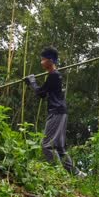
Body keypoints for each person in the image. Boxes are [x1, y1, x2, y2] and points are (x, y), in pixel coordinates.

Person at [25, 47, 83, 176]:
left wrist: (32, 82)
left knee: (47, 145)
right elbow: (44, 94)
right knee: (60, 148)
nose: (41, 62)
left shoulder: (54, 75)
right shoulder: (53, 76)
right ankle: (78, 174)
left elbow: (40, 93)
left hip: (56, 112)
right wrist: (32, 83)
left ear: (50, 61)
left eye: (43, 60)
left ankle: (58, 175)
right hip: (60, 111)